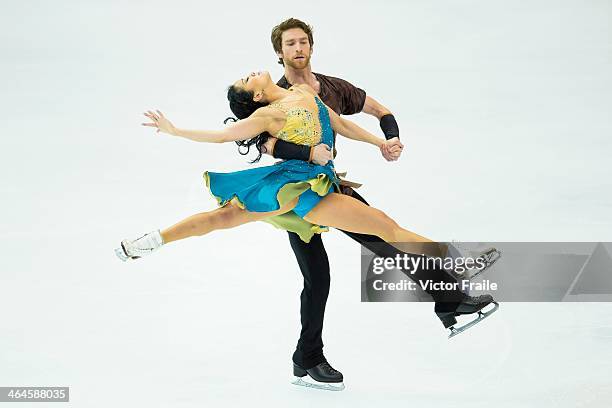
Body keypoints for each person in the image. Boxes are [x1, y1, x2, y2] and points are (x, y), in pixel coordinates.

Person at [115, 70, 498, 390]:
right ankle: (152, 241)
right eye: (248, 80)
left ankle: (451, 279)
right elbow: (222, 136)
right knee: (224, 219)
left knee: (384, 228)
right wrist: (176, 130)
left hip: (321, 186)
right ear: (258, 94)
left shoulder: (302, 90)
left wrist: (380, 143)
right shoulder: (267, 117)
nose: (251, 72)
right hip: (292, 190)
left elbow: (339, 123)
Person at [229, 18, 499, 389]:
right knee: (318, 277)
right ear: (279, 52)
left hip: (331, 187)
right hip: (296, 196)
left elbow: (380, 111)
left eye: (302, 42)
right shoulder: (272, 95)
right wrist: (308, 151)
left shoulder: (333, 88)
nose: (297, 49)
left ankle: (447, 299)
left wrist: (391, 139)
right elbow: (265, 143)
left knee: (383, 240)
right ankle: (308, 358)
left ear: (311, 46)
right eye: (289, 44)